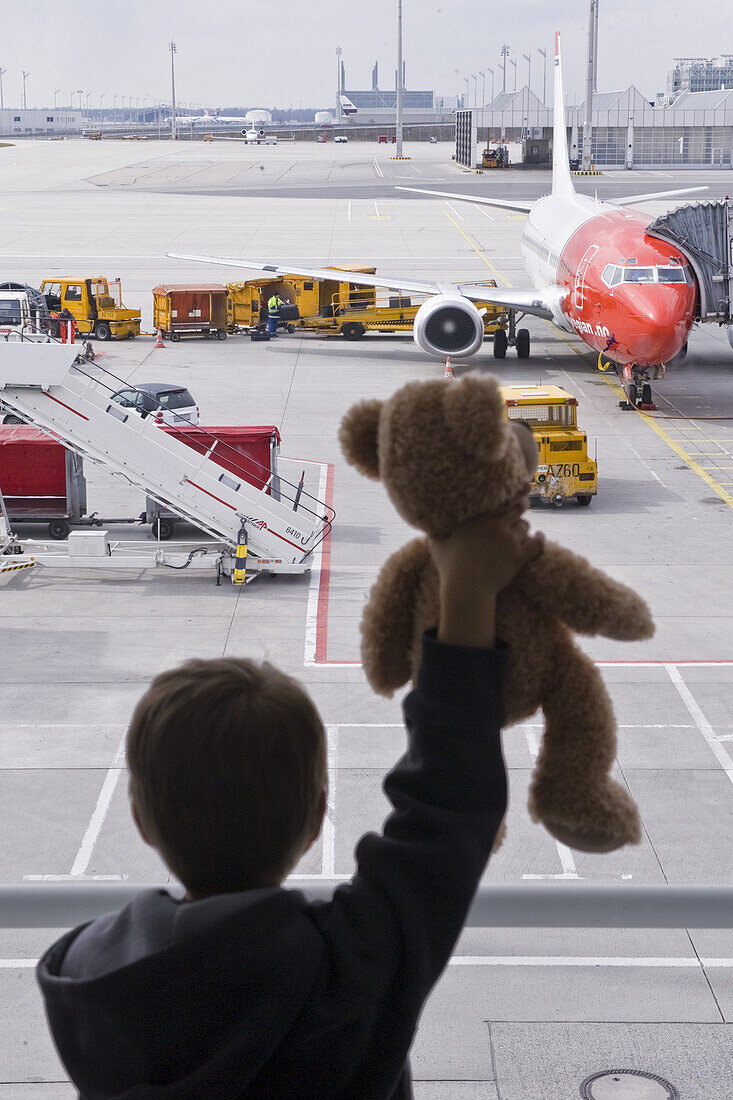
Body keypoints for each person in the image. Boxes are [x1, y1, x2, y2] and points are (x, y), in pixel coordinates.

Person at [37, 490, 542, 1098]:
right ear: (315, 821)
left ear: (141, 818)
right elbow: (450, 805)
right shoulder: (348, 972)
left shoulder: (87, 978)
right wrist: (466, 581)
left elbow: (451, 805)